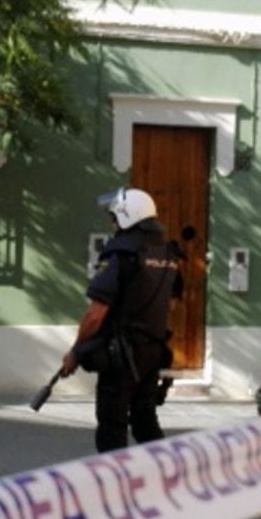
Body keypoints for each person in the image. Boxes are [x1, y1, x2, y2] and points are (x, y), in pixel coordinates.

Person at [60, 187, 183, 452]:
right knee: (145, 422)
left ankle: (115, 486)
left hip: (121, 356)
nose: (113, 224)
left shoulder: (122, 253)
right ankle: (164, 475)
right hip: (152, 352)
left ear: (127, 218)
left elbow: (95, 315)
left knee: (112, 427)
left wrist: (75, 351)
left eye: (114, 218)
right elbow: (170, 304)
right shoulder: (169, 254)